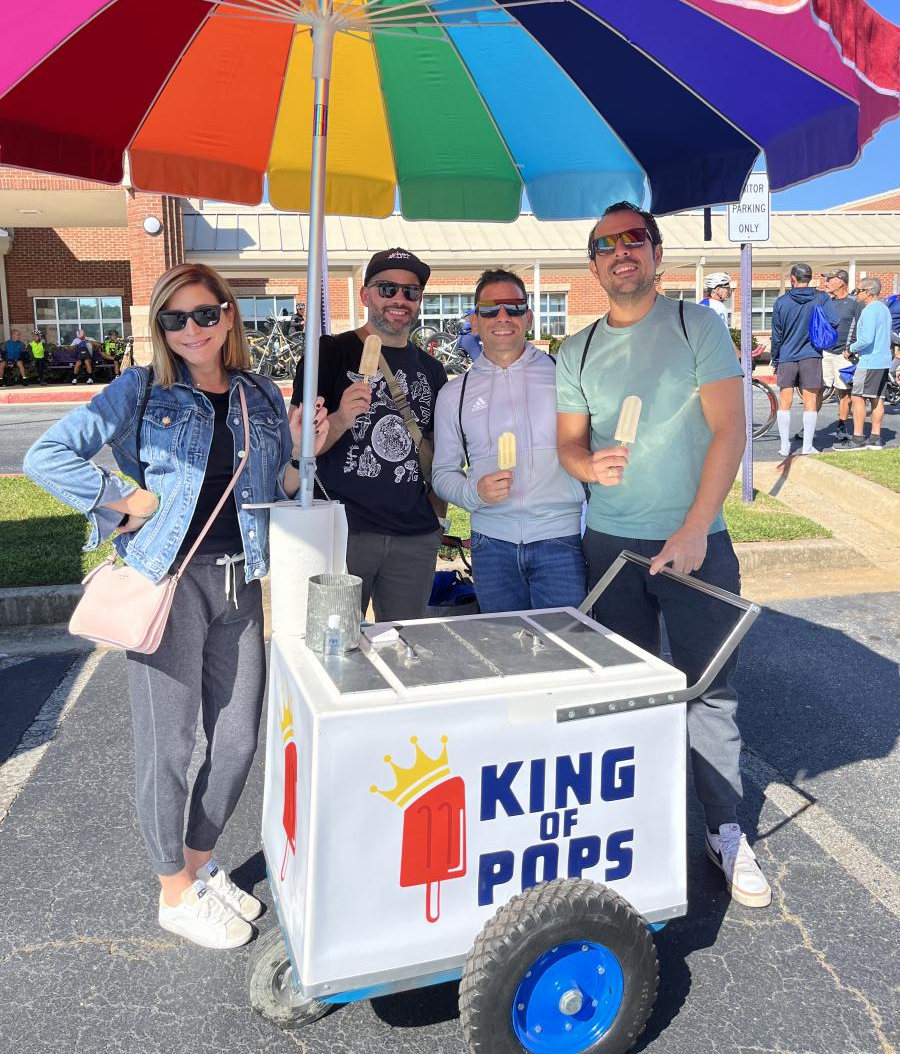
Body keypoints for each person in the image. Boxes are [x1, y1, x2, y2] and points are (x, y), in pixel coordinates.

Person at [25, 263, 328, 950]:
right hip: (170, 582)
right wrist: (119, 499)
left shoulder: (257, 392)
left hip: (242, 583)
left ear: (228, 316)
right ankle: (172, 890)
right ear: (160, 326)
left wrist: (306, 450)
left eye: (204, 313)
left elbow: (277, 486)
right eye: (174, 318)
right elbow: (48, 456)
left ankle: (198, 862)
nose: (191, 328)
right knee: (169, 746)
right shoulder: (141, 389)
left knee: (238, 739)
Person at [556, 201, 771, 909]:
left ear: (656, 253)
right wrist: (588, 468)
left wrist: (694, 527)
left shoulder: (695, 325)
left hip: (697, 545)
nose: (621, 252)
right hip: (610, 544)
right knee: (624, 694)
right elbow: (570, 443)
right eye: (606, 244)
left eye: (635, 239)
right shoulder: (576, 350)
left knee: (708, 691)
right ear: (593, 266)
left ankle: (723, 828)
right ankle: (632, 830)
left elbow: (730, 431)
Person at [290, 247, 448, 621]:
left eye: (410, 291)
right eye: (387, 288)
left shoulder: (432, 370)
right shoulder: (328, 354)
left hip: (414, 536)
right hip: (343, 531)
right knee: (335, 641)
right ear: (365, 295)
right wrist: (341, 418)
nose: (399, 299)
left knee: (405, 643)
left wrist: (437, 519)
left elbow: (439, 452)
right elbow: (301, 448)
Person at [432, 269, 586, 612]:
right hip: (491, 545)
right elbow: (442, 473)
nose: (502, 316)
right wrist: (474, 492)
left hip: (560, 540)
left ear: (528, 317)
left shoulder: (565, 377)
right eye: (490, 309)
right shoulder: (455, 394)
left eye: (514, 307)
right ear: (475, 321)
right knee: (503, 642)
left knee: (566, 642)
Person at [769, 263, 829, 458]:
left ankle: (784, 446)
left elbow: (777, 334)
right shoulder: (821, 298)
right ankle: (807, 446)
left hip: (786, 355)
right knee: (810, 400)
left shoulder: (781, 302)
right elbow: (834, 321)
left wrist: (775, 359)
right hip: (811, 354)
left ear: (793, 278)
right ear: (809, 278)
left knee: (784, 401)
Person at [838, 277, 892, 450]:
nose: (856, 293)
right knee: (878, 399)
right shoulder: (884, 308)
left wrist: (850, 349)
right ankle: (875, 437)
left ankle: (858, 438)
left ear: (868, 292)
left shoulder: (869, 310)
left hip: (869, 361)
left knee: (857, 397)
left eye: (858, 290)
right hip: (883, 360)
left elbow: (866, 339)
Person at [820, 270, 862, 442]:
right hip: (825, 352)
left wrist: (851, 349)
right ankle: (809, 425)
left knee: (844, 391)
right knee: (818, 389)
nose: (826, 283)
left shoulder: (855, 303)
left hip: (844, 355)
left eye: (830, 280)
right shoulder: (827, 302)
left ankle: (842, 425)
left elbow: (860, 327)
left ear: (842, 282)